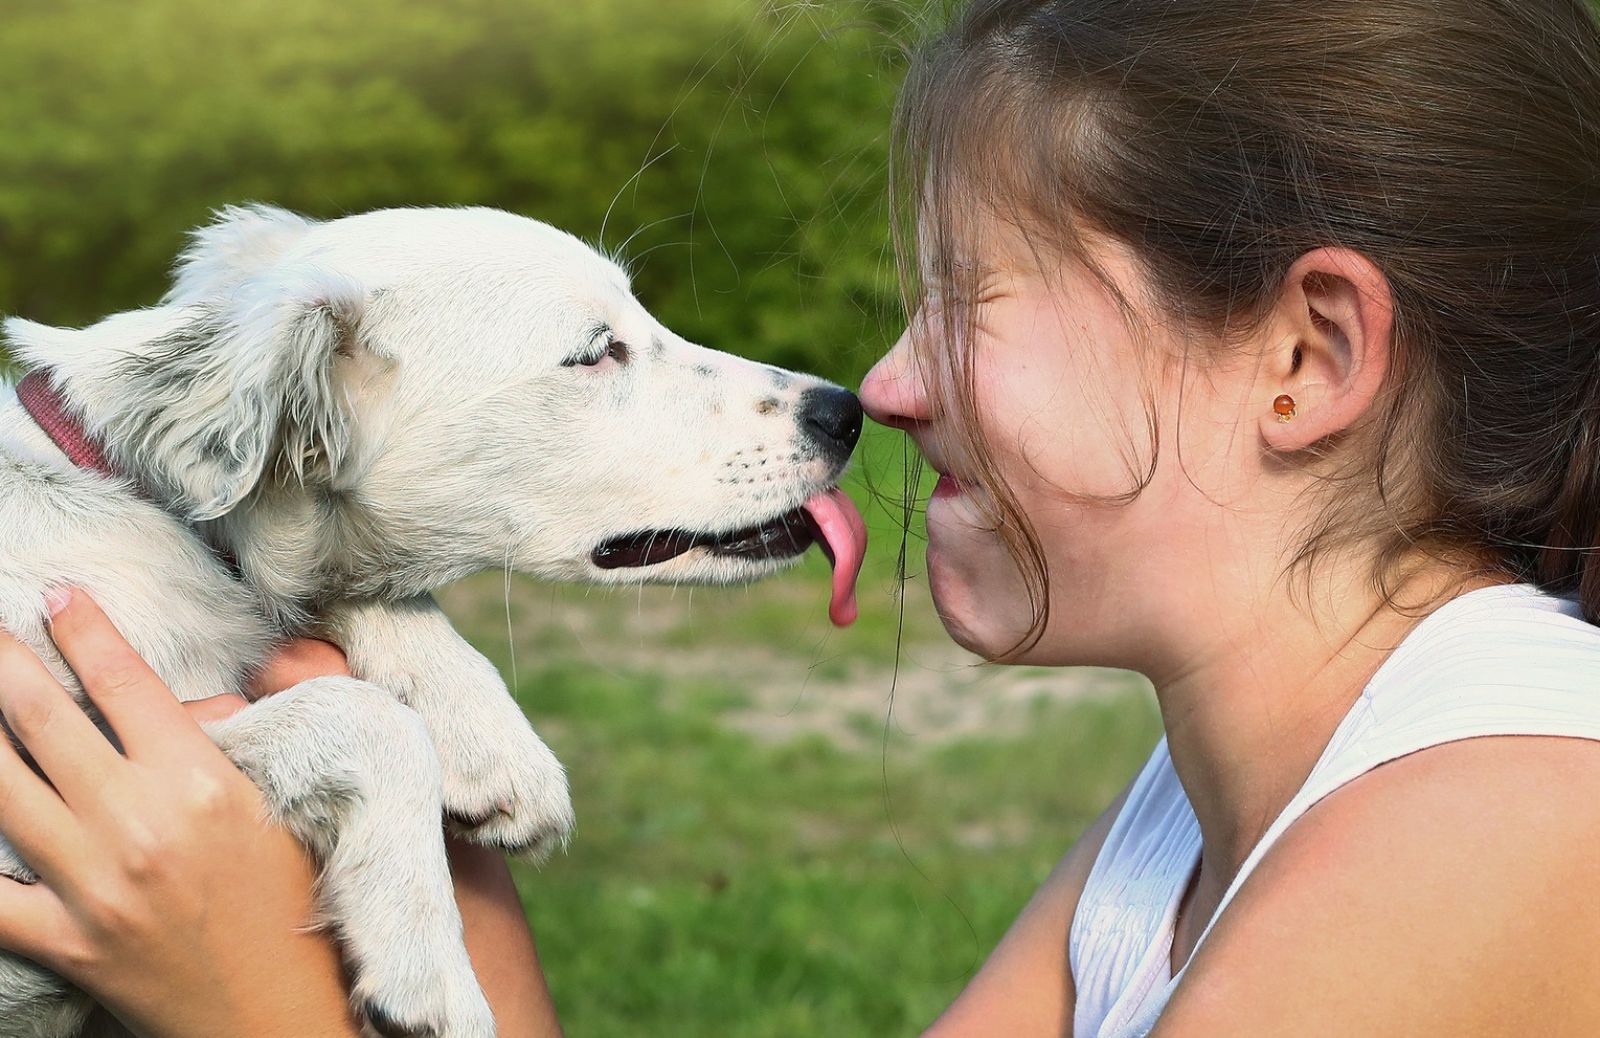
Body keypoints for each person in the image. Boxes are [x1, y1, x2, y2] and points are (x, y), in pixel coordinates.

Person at [5, 0, 1600, 1034]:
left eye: (965, 298)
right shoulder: (1185, 823)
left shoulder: (1502, 827)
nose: (886, 383)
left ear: (1306, 356)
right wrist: (377, 667)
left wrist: (255, 1008)